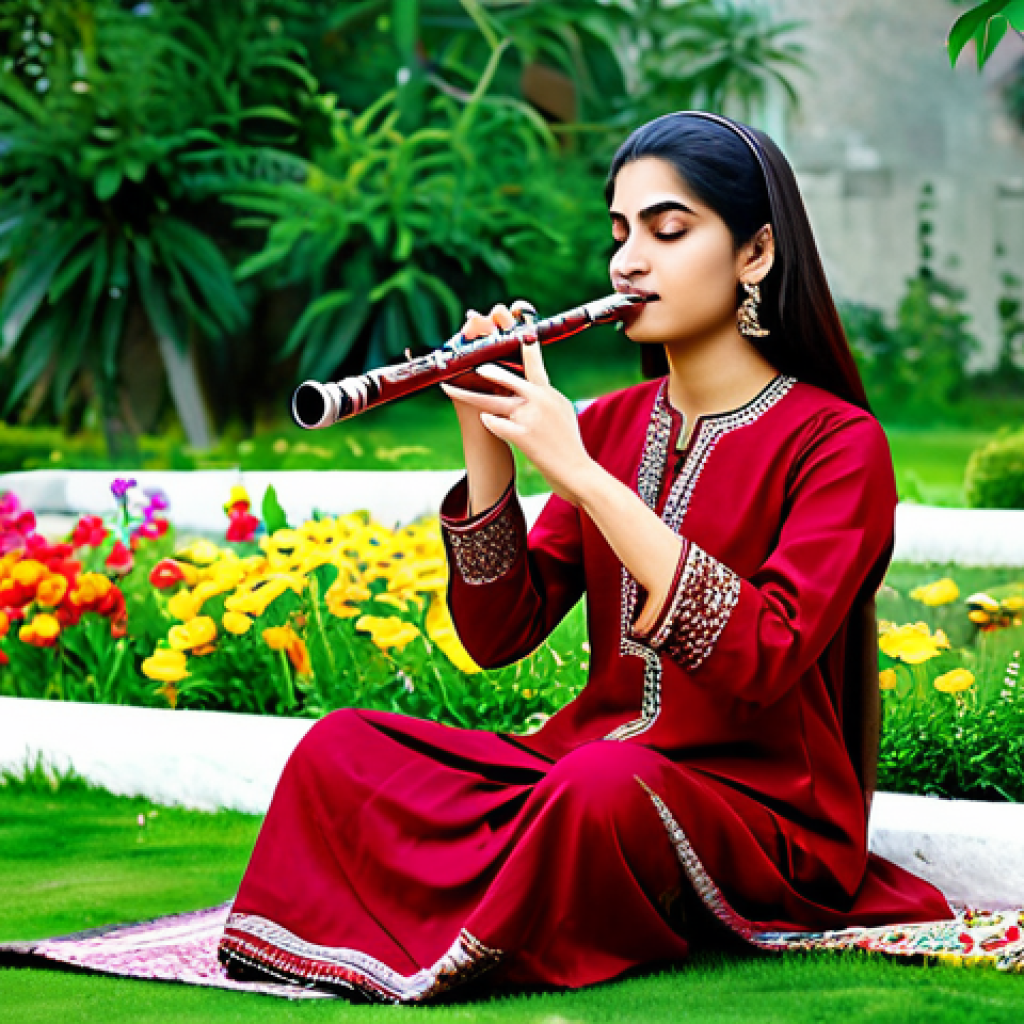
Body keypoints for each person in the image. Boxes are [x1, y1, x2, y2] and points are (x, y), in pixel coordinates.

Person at [217, 111, 956, 1002]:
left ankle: (492, 926)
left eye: (667, 230)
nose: (628, 261)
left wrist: (585, 478)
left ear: (755, 254)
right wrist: (483, 432)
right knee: (347, 748)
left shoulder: (839, 443)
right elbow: (499, 632)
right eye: (619, 232)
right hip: (581, 768)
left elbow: (763, 654)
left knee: (601, 788)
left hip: (756, 811)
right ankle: (491, 912)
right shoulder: (606, 425)